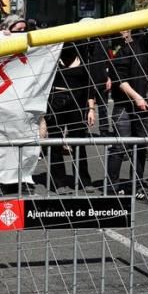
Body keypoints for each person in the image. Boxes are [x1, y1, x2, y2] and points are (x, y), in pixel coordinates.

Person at [105, 28, 148, 199]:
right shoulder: (128, 50)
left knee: (140, 147)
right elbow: (120, 79)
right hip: (124, 105)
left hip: (146, 107)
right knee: (120, 145)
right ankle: (112, 186)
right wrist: (136, 97)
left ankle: (137, 186)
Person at [43, 38, 106, 192]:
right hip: (55, 104)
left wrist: (91, 109)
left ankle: (84, 180)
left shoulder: (84, 59)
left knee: (79, 142)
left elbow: (89, 86)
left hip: (77, 104)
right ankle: (58, 182)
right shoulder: (51, 60)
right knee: (56, 143)